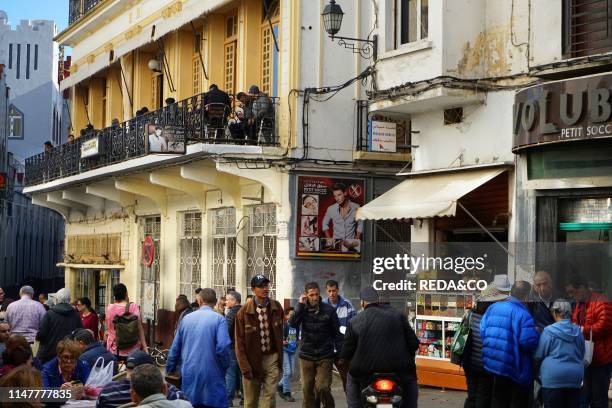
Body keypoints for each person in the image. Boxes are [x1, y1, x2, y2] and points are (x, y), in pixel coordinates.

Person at [339, 286, 420, 408]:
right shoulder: (399, 316)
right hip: (399, 370)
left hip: (364, 372)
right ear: (378, 301)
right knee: (410, 383)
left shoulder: (355, 321)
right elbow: (414, 344)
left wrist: (343, 359)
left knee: (351, 380)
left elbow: (346, 351)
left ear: (362, 303)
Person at [480, 275, 540, 408]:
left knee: (499, 399)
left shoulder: (493, 307)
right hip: (514, 367)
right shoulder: (523, 314)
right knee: (517, 401)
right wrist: (536, 332)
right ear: (526, 297)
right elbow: (528, 342)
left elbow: (483, 330)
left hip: (494, 363)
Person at [166, 288, 231, 408]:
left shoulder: (186, 319)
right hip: (213, 375)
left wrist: (169, 369)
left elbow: (174, 349)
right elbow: (223, 347)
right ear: (216, 301)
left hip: (190, 375)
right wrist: (223, 367)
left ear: (199, 301)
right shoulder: (219, 320)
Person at [289, 282, 342, 408]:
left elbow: (337, 333)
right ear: (306, 295)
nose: (314, 297)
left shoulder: (329, 310)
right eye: (311, 295)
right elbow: (292, 324)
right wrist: (300, 305)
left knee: (322, 387)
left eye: (316, 294)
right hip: (306, 356)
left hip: (325, 355)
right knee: (307, 390)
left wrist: (340, 354)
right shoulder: (302, 309)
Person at [235, 275, 284, 408]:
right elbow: (239, 344)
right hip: (252, 360)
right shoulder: (243, 312)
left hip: (272, 358)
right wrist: (245, 368)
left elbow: (281, 332)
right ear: (253, 289)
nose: (265, 289)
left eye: (266, 285)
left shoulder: (277, 307)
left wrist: (280, 360)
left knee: (270, 396)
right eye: (261, 286)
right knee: (251, 401)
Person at [565, 274, 612, 408]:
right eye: (569, 293)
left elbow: (605, 326)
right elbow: (575, 322)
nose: (571, 296)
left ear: (582, 287)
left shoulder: (601, 301)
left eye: (572, 292)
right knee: (586, 395)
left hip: (600, 359)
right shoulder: (580, 304)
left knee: (599, 397)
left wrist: (580, 330)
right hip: (586, 358)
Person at [533, 299, 584, 408]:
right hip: (575, 378)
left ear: (555, 313)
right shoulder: (578, 331)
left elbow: (539, 354)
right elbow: (582, 353)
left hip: (553, 379)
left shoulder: (548, 331)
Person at [460, 288, 506, 408]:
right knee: (483, 396)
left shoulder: (470, 314)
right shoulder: (492, 317)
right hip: (484, 363)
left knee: (471, 395)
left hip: (469, 361)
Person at [96, 350, 188, 408]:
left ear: (133, 395)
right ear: (164, 390)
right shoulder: (170, 393)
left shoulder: (107, 392)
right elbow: (184, 399)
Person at [322, 279, 356, 391]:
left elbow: (354, 326)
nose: (332, 294)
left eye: (334, 291)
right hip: (326, 349)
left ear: (338, 290)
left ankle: (351, 402)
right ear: (326, 291)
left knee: (347, 379)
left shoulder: (347, 305)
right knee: (324, 382)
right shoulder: (322, 306)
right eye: (329, 291)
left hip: (343, 349)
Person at [36, 288, 83, 364]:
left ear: (57, 300)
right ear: (69, 300)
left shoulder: (49, 314)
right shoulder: (75, 315)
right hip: (68, 354)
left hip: (49, 354)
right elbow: (80, 334)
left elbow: (41, 335)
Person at [105, 283, 148, 360]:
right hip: (133, 350)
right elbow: (139, 328)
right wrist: (145, 347)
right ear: (126, 293)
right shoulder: (133, 307)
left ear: (114, 295)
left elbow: (109, 327)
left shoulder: (110, 308)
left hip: (114, 349)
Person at [321, 183, 364, 252]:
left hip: (351, 244)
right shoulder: (331, 209)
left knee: (352, 262)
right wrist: (328, 238)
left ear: (345, 193)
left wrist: (357, 237)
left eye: (339, 195)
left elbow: (361, 223)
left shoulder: (356, 207)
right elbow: (324, 223)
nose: (337, 198)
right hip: (336, 244)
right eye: (335, 196)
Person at [225, 291, 243, 406]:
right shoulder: (245, 311)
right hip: (243, 347)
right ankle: (245, 397)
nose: (226, 302)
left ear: (234, 301)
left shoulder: (232, 313)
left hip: (232, 347)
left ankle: (228, 399)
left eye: (228, 300)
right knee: (242, 373)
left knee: (230, 373)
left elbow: (225, 330)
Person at [278, 307, 297, 402]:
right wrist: (281, 341)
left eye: (294, 314)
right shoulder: (283, 325)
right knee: (287, 372)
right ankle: (286, 393)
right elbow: (276, 336)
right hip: (284, 350)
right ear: (286, 316)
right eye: (290, 314)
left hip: (292, 350)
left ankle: (280, 385)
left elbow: (297, 336)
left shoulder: (296, 324)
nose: (292, 316)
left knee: (292, 372)